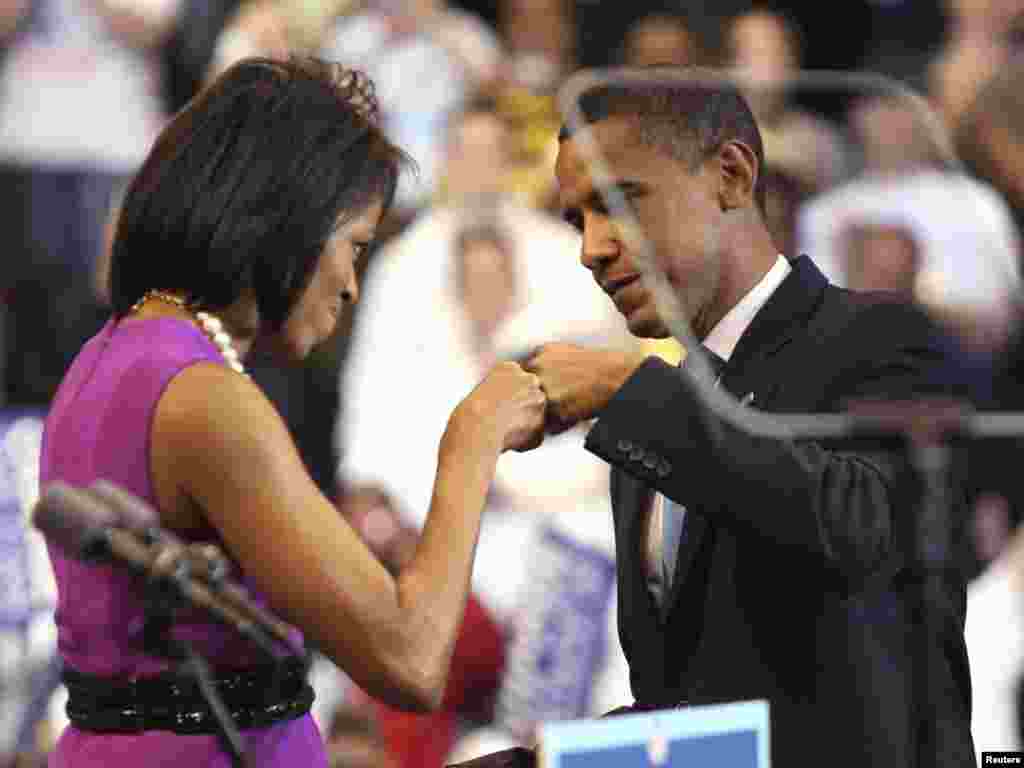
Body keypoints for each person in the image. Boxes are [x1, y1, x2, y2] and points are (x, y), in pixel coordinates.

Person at [38, 57, 548, 768]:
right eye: (355, 246)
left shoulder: (113, 354)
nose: (349, 284)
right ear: (290, 223)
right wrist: (474, 439)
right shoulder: (204, 399)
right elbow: (412, 657)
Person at [457, 74, 976, 766]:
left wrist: (629, 391)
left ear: (731, 176)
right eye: (577, 219)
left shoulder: (886, 339)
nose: (591, 248)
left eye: (617, 202)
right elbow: (693, 715)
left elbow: (868, 531)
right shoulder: (647, 435)